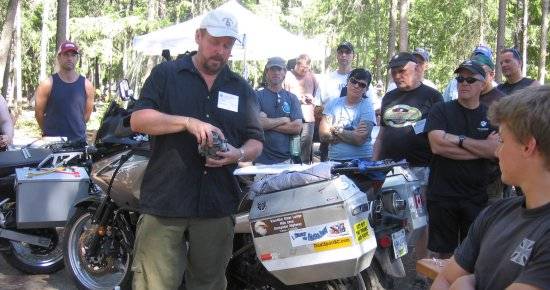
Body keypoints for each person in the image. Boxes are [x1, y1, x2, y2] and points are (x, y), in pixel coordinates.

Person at [129, 9, 264, 290]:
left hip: (216, 203)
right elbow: (138, 120)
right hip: (166, 200)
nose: (220, 50)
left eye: (227, 45)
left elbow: (256, 142)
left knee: (209, 283)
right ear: (199, 37)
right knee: (154, 284)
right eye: (215, 42)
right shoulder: (167, 74)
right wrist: (186, 122)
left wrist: (238, 154)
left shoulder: (241, 88)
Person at [431, 85, 550, 290]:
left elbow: (454, 281)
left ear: (528, 146)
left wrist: (464, 283)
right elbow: (444, 279)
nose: (497, 152)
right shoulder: (497, 213)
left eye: (502, 141)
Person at [373, 52, 442, 265]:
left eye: (402, 71)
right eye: (394, 72)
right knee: (387, 217)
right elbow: (382, 134)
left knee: (420, 218)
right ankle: (391, 265)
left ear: (418, 69)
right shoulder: (389, 97)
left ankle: (423, 266)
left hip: (419, 167)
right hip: (388, 166)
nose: (397, 75)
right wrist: (373, 164)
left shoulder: (433, 96)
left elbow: (438, 135)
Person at [425, 60, 499, 258]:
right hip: (442, 194)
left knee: (473, 256)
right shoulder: (440, 109)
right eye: (460, 78)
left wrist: (456, 140)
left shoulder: (491, 116)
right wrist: (480, 148)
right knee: (442, 255)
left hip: (475, 196)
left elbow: (495, 151)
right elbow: (437, 146)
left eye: (470, 79)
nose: (464, 83)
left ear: (482, 85)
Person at [316, 41, 377, 161]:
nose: (356, 86)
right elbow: (323, 135)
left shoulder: (367, 105)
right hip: (334, 159)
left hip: (362, 162)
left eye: (361, 85)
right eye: (353, 81)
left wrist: (335, 129)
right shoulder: (331, 97)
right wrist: (351, 135)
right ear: (347, 82)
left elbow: (360, 139)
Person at [34, 40, 95, 141]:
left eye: (73, 55)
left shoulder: (87, 85)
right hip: (53, 144)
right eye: (66, 54)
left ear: (77, 58)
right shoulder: (47, 84)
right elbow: (38, 114)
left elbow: (86, 116)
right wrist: (49, 133)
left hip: (78, 142)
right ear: (59, 57)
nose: (70, 58)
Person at [255, 56, 303, 165]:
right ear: (267, 72)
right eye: (272, 69)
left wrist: (268, 123)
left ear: (284, 72)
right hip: (261, 161)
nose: (276, 72)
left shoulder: (292, 98)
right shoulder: (257, 96)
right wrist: (284, 119)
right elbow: (257, 124)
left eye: (279, 69)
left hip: (287, 161)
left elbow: (297, 128)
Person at [283, 54, 319, 163]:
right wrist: (299, 100)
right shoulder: (288, 75)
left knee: (306, 147)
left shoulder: (312, 76)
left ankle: (305, 169)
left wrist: (313, 99)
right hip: (293, 118)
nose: (304, 70)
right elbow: (283, 95)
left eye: (306, 68)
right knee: (294, 148)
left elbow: (318, 94)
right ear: (297, 64)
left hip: (308, 118)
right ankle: (294, 168)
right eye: (302, 68)